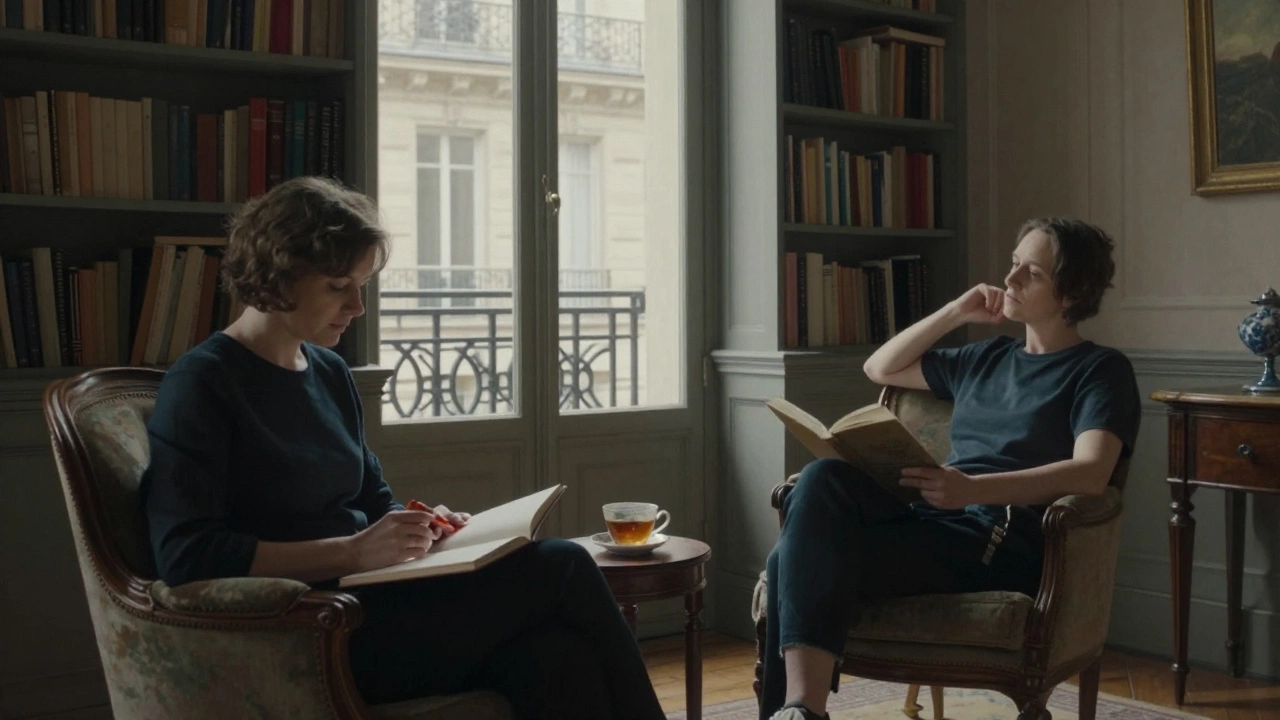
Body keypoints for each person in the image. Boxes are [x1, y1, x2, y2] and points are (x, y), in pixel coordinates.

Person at [139, 176, 667, 720]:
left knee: (557, 660)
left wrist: (424, 526)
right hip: (308, 631)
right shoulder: (203, 384)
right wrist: (351, 552)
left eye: (362, 284)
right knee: (564, 565)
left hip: (378, 603)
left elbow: (374, 502)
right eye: (339, 286)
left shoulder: (328, 372)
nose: (358, 306)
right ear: (277, 274)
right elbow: (186, 556)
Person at [760, 218, 1142, 720]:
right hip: (935, 523)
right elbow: (880, 368)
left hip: (1000, 539)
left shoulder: (1100, 370)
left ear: (1072, 292)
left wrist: (972, 489)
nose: (1010, 280)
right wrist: (956, 311)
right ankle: (802, 711)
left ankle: (796, 712)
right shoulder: (986, 357)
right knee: (821, 479)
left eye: (1031, 273)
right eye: (1013, 264)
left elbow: (1091, 472)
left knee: (788, 562)